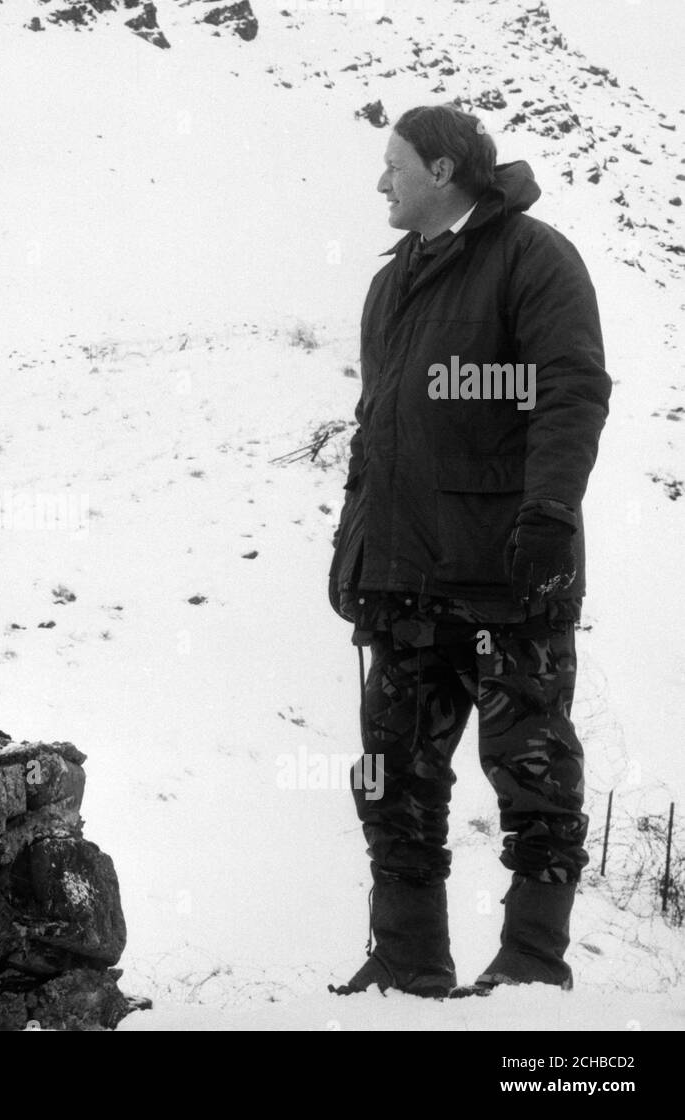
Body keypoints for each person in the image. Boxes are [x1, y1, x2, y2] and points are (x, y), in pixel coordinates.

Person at [327, 104, 611, 997]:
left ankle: (532, 963)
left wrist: (550, 514)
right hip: (403, 579)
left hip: (505, 576)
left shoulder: (534, 256)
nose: (382, 181)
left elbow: (570, 392)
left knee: (532, 770)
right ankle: (407, 959)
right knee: (390, 773)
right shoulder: (391, 282)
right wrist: (356, 550)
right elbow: (379, 431)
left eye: (395, 164)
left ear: (443, 171)